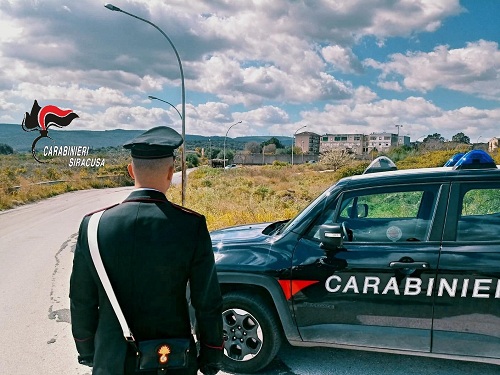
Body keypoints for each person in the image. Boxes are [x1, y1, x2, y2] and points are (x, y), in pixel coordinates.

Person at [70, 126, 223, 375]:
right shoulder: (191, 225)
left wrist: (87, 350)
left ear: (131, 171)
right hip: (173, 359)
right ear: (172, 172)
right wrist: (210, 353)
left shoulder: (93, 225)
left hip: (112, 359)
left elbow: (81, 299)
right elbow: (207, 301)